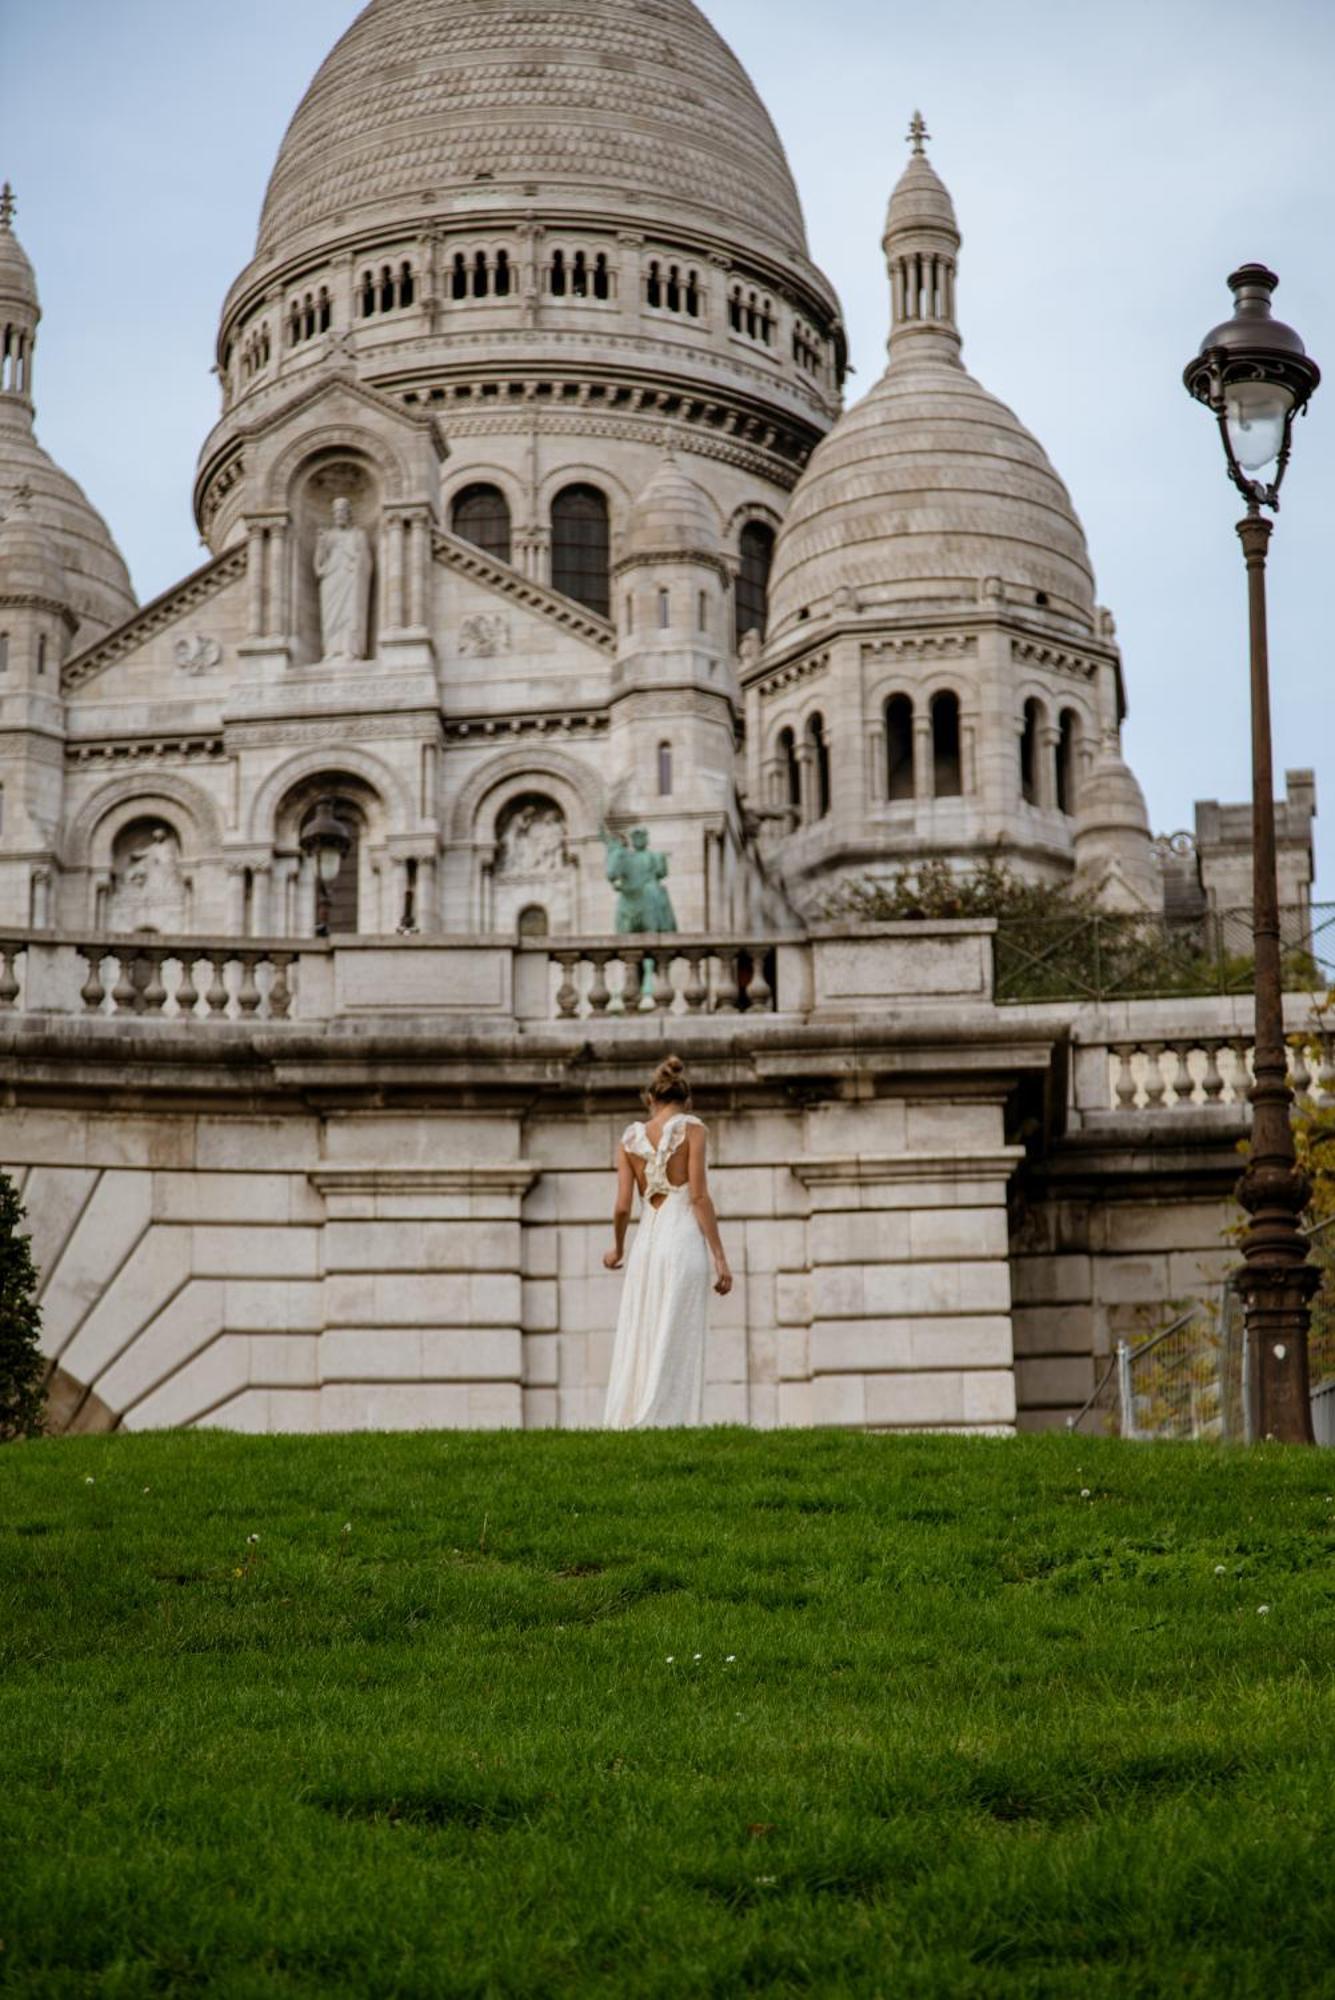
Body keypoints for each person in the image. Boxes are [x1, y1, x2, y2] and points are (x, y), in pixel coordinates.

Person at [602, 1056, 732, 1428]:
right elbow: (699, 1197)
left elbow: (622, 1207)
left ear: (650, 1099)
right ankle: (668, 1418)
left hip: (647, 1240)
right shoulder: (693, 1129)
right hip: (681, 1237)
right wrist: (720, 1258)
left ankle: (636, 1414)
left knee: (644, 1324)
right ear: (686, 1100)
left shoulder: (629, 1139)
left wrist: (619, 1248)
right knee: (677, 1325)